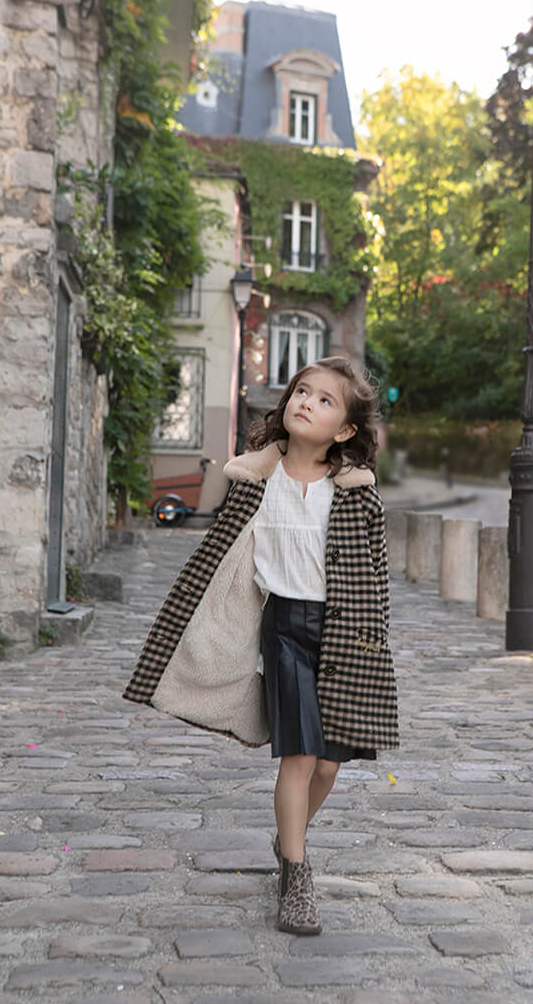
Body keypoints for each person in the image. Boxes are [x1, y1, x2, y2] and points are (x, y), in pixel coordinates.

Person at [123, 356, 400, 935]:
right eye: (302, 392)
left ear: (345, 430)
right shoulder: (254, 479)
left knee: (328, 764)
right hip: (284, 629)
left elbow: (376, 576)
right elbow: (220, 559)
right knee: (298, 755)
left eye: (325, 400)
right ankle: (296, 876)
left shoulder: (354, 495)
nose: (307, 402)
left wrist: (375, 647)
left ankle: (287, 838)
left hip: (343, 630)